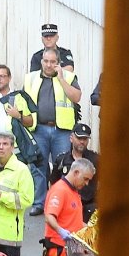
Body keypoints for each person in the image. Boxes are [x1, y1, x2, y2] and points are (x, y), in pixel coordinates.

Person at [24, 48, 82, 216]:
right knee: (38, 167)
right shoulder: (30, 78)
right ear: (41, 61)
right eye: (46, 61)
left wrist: (61, 79)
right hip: (38, 129)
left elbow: (76, 97)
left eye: (52, 62)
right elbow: (22, 101)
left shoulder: (69, 77)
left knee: (63, 167)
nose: (49, 65)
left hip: (61, 130)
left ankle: (60, 203)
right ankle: (39, 203)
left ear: (58, 63)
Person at [0, 65, 35, 164]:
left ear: (9, 78)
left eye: (2, 76)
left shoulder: (18, 96)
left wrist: (18, 116)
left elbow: (30, 122)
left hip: (13, 147)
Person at [48, 123, 100, 223]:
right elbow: (53, 183)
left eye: (85, 139)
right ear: (71, 138)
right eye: (79, 138)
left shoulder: (96, 160)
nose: (82, 142)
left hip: (89, 207)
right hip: (67, 208)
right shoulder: (62, 160)